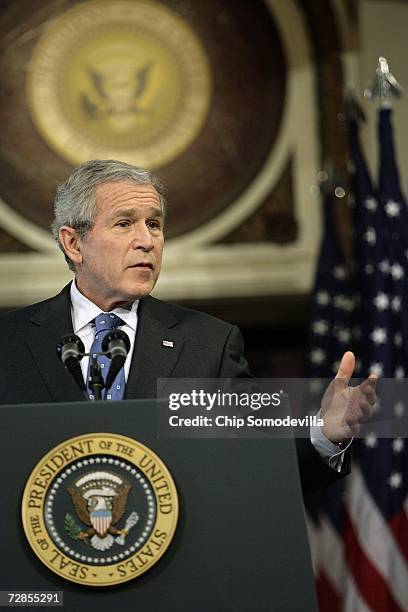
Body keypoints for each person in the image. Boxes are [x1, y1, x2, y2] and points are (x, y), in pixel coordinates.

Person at [0, 159, 376, 492]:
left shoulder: (208, 346)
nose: (146, 241)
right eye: (124, 223)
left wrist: (324, 434)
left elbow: (261, 460)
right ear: (73, 243)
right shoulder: (9, 344)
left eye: (154, 224)